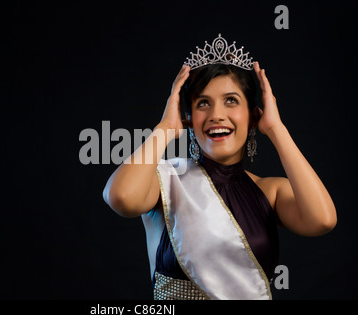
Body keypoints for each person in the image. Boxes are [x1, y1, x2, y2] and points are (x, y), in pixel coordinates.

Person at [102, 34, 337, 300]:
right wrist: (165, 128)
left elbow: (323, 220)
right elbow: (120, 197)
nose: (216, 114)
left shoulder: (270, 192)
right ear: (188, 118)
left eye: (231, 100)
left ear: (253, 115)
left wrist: (276, 129)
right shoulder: (165, 181)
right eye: (203, 103)